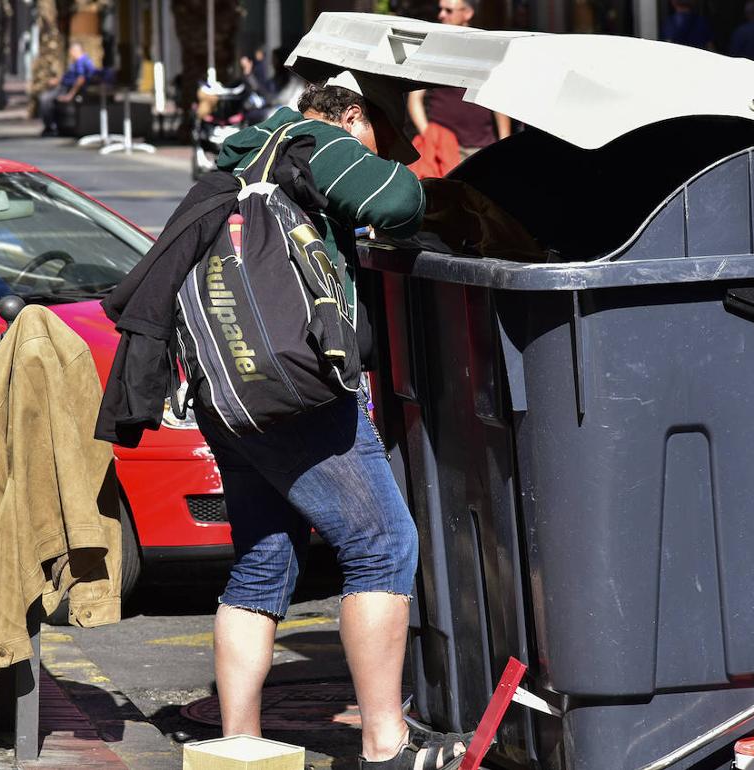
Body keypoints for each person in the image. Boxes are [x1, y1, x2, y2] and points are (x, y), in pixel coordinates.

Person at [204, 73, 470, 770]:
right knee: (383, 542)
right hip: (295, 388)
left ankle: (238, 747)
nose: (381, 152)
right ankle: (388, 741)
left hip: (226, 389)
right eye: (377, 138)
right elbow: (400, 197)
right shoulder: (316, 138)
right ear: (353, 116)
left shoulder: (240, 153)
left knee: (264, 561)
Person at [407, 0, 511, 165]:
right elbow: (415, 99)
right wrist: (428, 135)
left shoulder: (486, 47)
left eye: (448, 10)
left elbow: (497, 96)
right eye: (440, 9)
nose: (441, 15)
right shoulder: (436, 47)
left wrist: (504, 142)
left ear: (467, 13)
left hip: (480, 147)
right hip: (442, 148)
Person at [38, 42, 97, 136]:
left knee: (45, 99)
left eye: (71, 52)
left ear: (75, 51)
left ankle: (49, 127)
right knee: (47, 98)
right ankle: (53, 125)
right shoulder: (81, 61)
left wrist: (70, 95)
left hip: (68, 89)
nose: (70, 55)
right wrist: (57, 80)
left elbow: (80, 79)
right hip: (64, 87)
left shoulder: (81, 61)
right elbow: (71, 76)